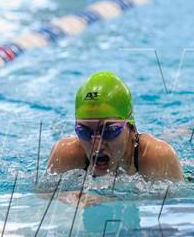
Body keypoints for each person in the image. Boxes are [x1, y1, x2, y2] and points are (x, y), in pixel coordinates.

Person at [47, 71, 183, 182]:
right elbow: (43, 195)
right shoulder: (65, 153)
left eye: (109, 131)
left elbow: (176, 205)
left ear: (131, 128)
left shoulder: (157, 156)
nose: (97, 144)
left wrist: (107, 198)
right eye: (84, 131)